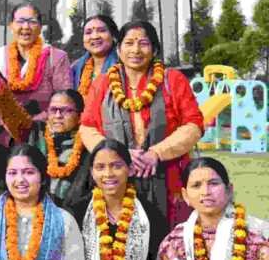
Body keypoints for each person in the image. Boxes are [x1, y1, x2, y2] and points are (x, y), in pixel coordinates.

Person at [79, 20, 203, 237]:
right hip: (116, 178)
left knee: (169, 238)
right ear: (119, 49)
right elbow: (87, 127)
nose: (135, 50)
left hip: (169, 178)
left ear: (154, 50)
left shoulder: (172, 80)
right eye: (129, 43)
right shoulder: (103, 83)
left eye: (143, 43)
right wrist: (119, 154)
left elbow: (193, 125)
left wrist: (156, 153)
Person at [0, 3, 72, 197]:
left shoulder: (56, 57)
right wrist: (7, 121)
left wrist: (31, 122)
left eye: (32, 21)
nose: (25, 27)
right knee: (3, 196)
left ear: (40, 26)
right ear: (11, 25)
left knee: (38, 195)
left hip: (43, 140)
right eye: (20, 21)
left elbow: (64, 100)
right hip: (3, 141)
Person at [0, 73, 91, 208]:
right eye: (53, 110)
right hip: (32, 209)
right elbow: (9, 111)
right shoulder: (34, 132)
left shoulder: (88, 143)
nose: (58, 116)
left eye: (66, 111)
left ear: (79, 115)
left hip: (73, 212)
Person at [70, 14, 119, 99]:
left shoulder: (123, 66)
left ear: (113, 35)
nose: (94, 36)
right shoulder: (75, 68)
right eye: (88, 32)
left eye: (101, 30)